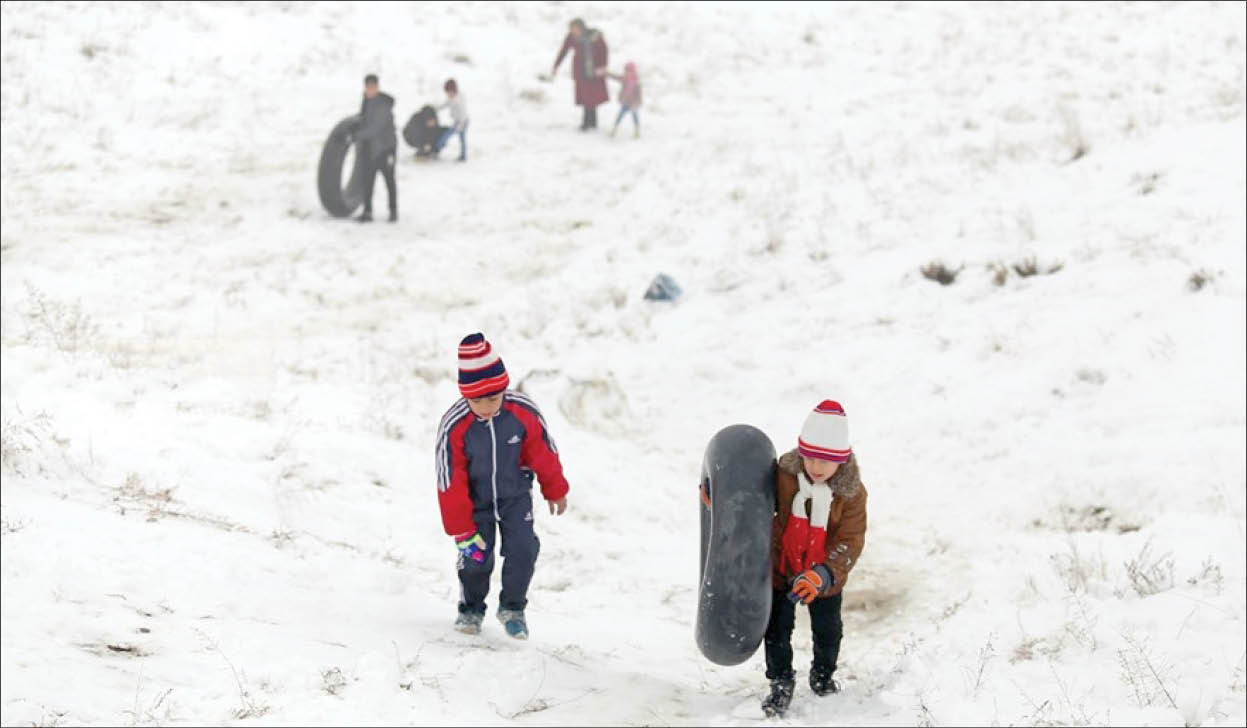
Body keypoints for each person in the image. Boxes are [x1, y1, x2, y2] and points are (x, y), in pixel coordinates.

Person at [435, 333, 570, 639]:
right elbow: (448, 477)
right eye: (477, 400)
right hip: (474, 503)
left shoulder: (522, 412)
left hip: (514, 497)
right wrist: (461, 527)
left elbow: (543, 451)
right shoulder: (455, 424)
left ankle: (513, 607)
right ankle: (470, 609)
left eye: (493, 398)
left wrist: (555, 488)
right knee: (476, 558)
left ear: (504, 389)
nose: (486, 407)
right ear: (465, 395)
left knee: (524, 550)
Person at [761, 400, 868, 717]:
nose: (816, 467)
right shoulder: (783, 475)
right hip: (783, 569)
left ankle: (823, 675)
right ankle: (780, 684)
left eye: (825, 461)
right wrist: (716, 490)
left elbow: (850, 540)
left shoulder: (852, 494)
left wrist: (823, 574)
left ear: (840, 461)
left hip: (823, 577)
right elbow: (744, 491)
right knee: (776, 631)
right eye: (809, 457)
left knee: (829, 631)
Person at [551, 18, 608, 131]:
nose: (572, 31)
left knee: (592, 97)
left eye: (574, 28)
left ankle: (590, 122)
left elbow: (604, 50)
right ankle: (588, 122)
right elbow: (564, 50)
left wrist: (602, 66)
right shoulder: (571, 37)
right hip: (580, 71)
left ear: (581, 27)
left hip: (594, 70)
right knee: (585, 96)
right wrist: (556, 65)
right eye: (571, 29)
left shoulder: (595, 36)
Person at [355, 73, 397, 222]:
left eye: (373, 87)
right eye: (368, 87)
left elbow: (375, 128)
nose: (370, 90)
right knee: (368, 181)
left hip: (386, 149)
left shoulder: (383, 105)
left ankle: (393, 211)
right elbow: (364, 119)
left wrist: (356, 136)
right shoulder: (366, 100)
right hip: (372, 148)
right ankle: (367, 212)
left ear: (378, 87)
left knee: (389, 181)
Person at [434, 78, 469, 162]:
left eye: (448, 92)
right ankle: (438, 149)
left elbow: (463, 114)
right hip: (458, 121)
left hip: (463, 122)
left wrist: (460, 125)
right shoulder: (452, 98)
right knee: (450, 136)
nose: (447, 94)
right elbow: (445, 104)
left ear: (453, 90)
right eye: (447, 92)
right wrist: (436, 108)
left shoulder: (459, 100)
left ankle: (437, 150)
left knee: (458, 138)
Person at [606, 61, 642, 138]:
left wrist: (637, 104)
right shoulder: (624, 79)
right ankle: (614, 129)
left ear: (632, 71)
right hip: (625, 103)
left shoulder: (636, 83)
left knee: (635, 117)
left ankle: (637, 130)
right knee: (619, 116)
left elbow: (639, 96)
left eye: (628, 71)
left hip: (633, 104)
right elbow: (615, 77)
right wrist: (607, 73)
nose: (626, 72)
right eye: (625, 71)